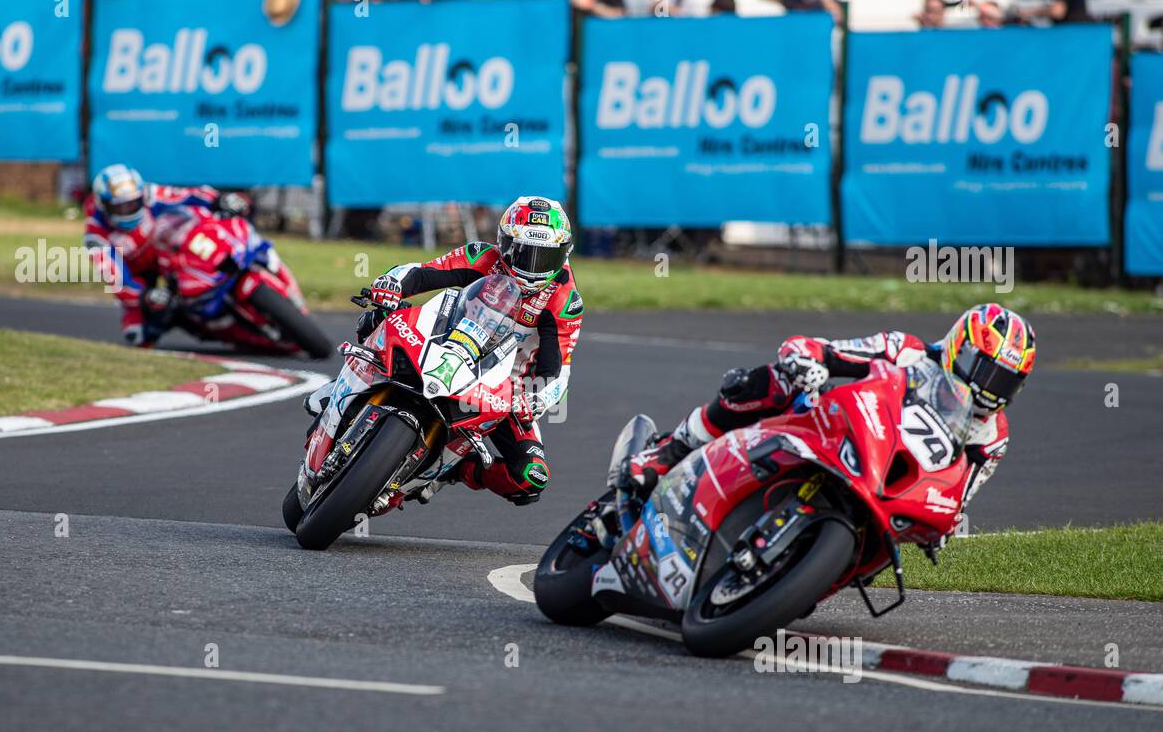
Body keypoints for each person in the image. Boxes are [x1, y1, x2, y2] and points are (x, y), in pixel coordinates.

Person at [627, 304, 1036, 523]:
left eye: (1005, 382)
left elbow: (960, 497)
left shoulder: (992, 436)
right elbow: (826, 349)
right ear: (959, 346)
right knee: (774, 383)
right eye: (985, 371)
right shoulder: (905, 350)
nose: (988, 389)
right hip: (841, 432)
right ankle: (670, 450)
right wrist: (807, 359)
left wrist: (941, 525)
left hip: (891, 490)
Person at [313, 197, 583, 507]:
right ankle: (348, 387)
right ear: (504, 242)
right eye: (523, 253)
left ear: (564, 253)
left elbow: (557, 370)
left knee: (530, 476)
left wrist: (536, 398)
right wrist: (391, 284)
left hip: (502, 387)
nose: (532, 268)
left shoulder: (565, 301)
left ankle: (456, 469)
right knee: (378, 316)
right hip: (445, 343)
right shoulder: (483, 255)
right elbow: (423, 272)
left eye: (545, 257)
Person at [84, 163, 249, 346]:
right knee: (138, 336)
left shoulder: (151, 194)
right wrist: (145, 295)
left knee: (208, 225)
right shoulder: (96, 236)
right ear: (104, 206)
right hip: (142, 279)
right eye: (120, 207)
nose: (128, 209)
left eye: (133, 203)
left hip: (172, 253)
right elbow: (118, 280)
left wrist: (220, 199)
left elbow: (188, 195)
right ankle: (200, 324)